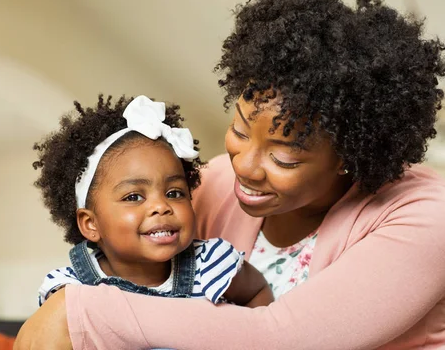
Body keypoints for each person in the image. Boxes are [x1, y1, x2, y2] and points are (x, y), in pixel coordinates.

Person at [14, 0, 445, 350]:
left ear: (349, 156)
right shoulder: (208, 185)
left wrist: (83, 309)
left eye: (284, 156)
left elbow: (286, 338)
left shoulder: (427, 214)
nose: (245, 167)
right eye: (239, 129)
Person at [32, 95, 273, 308]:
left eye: (174, 193)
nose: (161, 206)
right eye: (134, 197)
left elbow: (258, 292)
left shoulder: (211, 264)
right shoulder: (71, 289)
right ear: (90, 223)